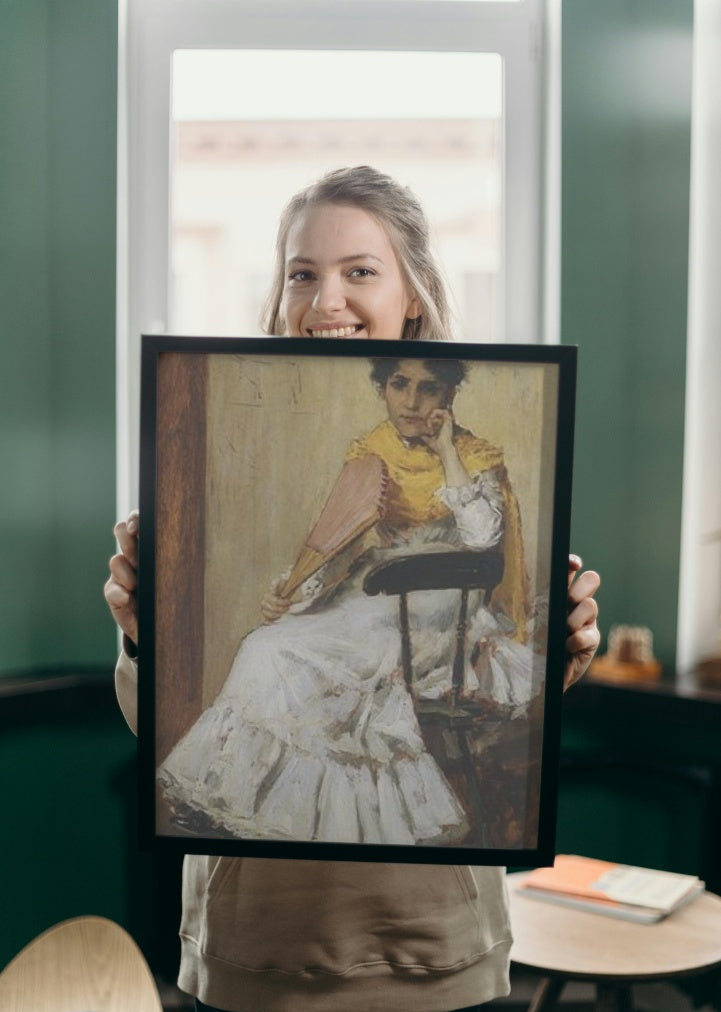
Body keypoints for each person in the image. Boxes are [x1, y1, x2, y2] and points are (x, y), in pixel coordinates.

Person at [105, 166, 601, 1012]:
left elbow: (503, 570)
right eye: (301, 272)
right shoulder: (361, 447)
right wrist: (150, 636)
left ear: (412, 293)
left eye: (359, 272)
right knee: (274, 646)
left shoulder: (482, 449)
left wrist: (561, 644)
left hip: (421, 922)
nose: (324, 298)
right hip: (258, 925)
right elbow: (333, 538)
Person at [156, 352, 536, 847]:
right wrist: (294, 591)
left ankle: (352, 826)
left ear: (449, 396)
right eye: (400, 384)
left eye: (428, 388)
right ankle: (252, 807)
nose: (412, 400)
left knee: (347, 656)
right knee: (268, 644)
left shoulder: (474, 456)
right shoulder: (371, 451)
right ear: (383, 388)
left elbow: (484, 540)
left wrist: (446, 452)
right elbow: (343, 542)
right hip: (377, 591)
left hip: (442, 606)